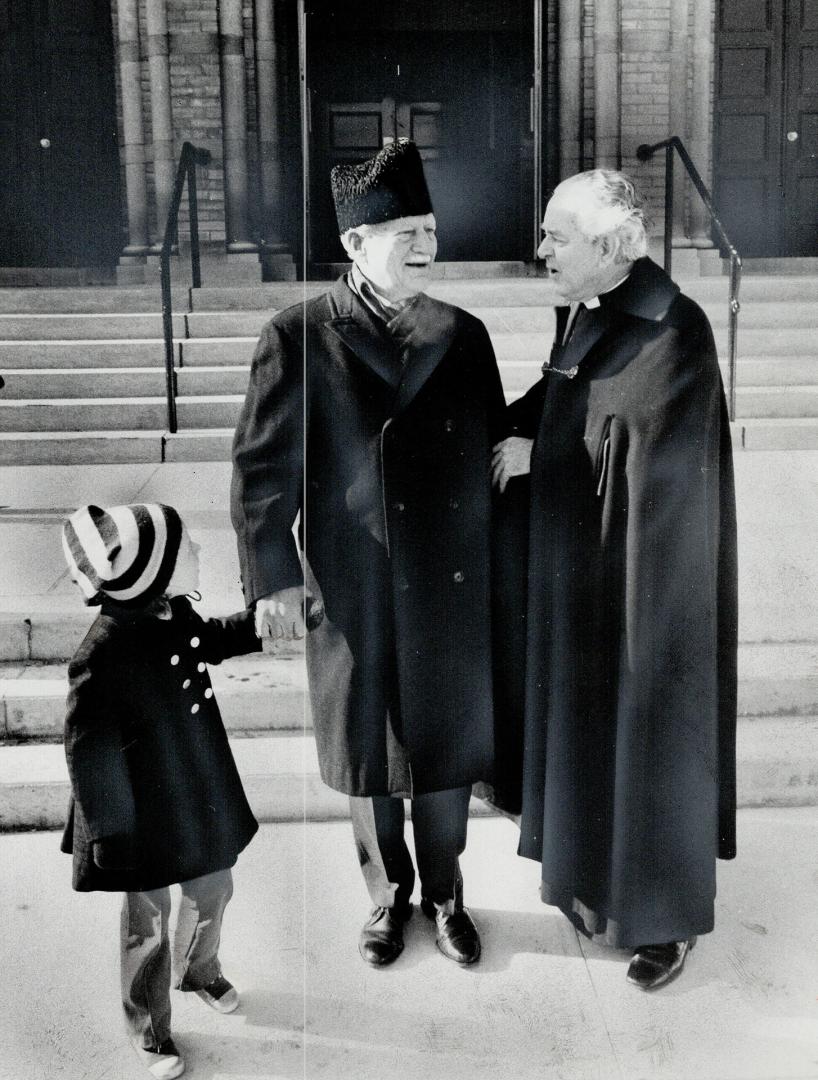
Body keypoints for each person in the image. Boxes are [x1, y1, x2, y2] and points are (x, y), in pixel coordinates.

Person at [231, 140, 506, 968]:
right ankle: (388, 898)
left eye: (429, 229)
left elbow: (494, 452)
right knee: (370, 751)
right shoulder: (299, 335)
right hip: (353, 585)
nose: (426, 246)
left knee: (448, 750)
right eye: (404, 233)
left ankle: (449, 895)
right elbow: (259, 470)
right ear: (354, 245)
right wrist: (272, 581)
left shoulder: (463, 334)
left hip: (450, 582)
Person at [492, 169, 738, 990]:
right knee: (593, 735)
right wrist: (509, 426)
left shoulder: (674, 326)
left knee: (648, 739)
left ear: (606, 246)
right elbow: (567, 397)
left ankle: (664, 923)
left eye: (557, 236)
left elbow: (649, 455)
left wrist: (545, 456)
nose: (542, 249)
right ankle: (594, 893)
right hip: (589, 573)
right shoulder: (594, 312)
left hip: (651, 592)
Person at [61, 503, 261, 1079]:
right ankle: (149, 1025)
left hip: (195, 787)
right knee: (147, 919)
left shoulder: (172, 612)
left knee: (213, 884)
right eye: (188, 546)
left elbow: (213, 638)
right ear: (154, 568)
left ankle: (199, 970)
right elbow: (88, 750)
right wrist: (108, 834)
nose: (198, 551)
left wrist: (262, 624)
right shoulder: (99, 654)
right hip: (136, 811)